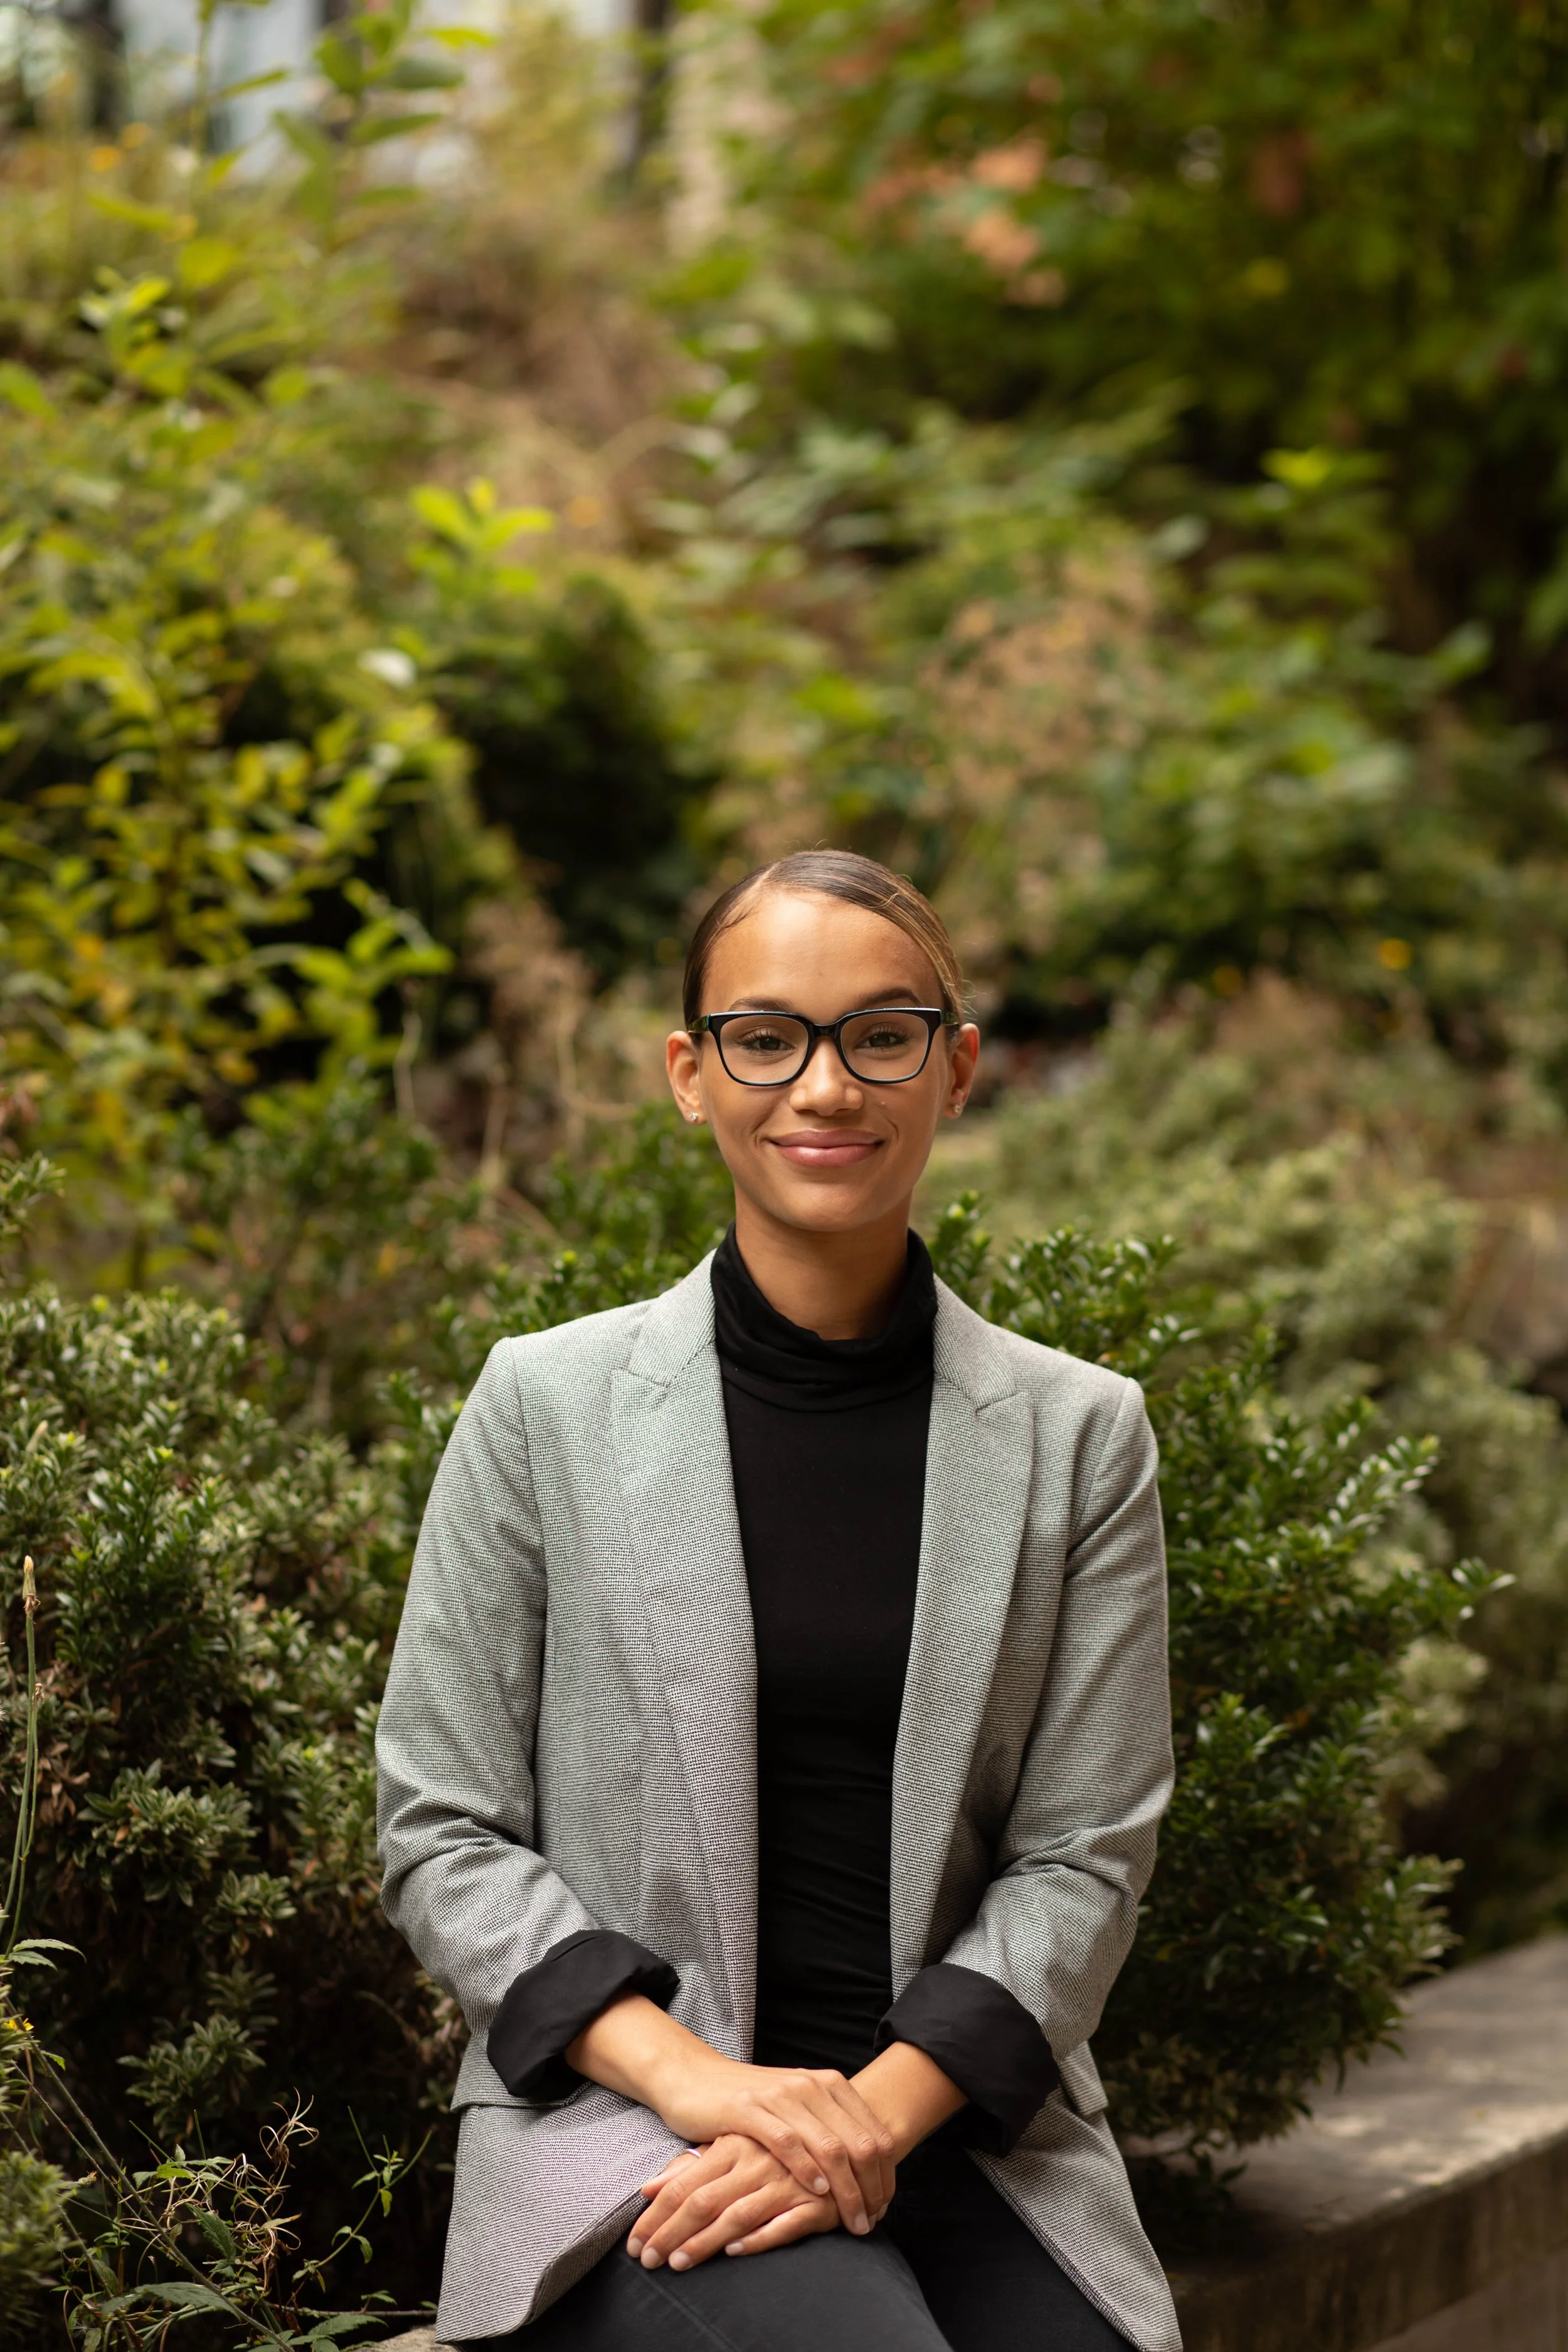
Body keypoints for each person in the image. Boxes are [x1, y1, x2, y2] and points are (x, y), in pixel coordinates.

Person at [376, 851, 1182, 2352]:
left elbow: (1083, 1852)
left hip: (957, 2127)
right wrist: (705, 2085)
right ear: (690, 1074)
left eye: (879, 1035)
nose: (823, 1086)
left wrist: (862, 2118)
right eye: (765, 1036)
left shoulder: (1079, 1433)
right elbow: (442, 1824)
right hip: (628, 2136)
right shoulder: (543, 1406)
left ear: (956, 1070)